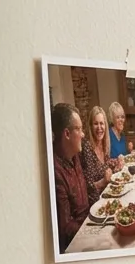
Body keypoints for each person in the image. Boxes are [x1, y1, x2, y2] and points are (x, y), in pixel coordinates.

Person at [50, 103, 92, 252]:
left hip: (89, 224)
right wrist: (94, 229)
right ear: (67, 134)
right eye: (79, 129)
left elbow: (87, 191)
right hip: (76, 244)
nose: (83, 134)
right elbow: (66, 228)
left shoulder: (75, 156)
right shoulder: (55, 172)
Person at [79, 105, 113, 201]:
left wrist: (116, 165)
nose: (99, 128)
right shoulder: (87, 147)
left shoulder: (103, 144)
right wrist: (103, 181)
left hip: (107, 193)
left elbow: (105, 167)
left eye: (101, 123)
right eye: (95, 124)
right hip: (95, 200)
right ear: (90, 126)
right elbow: (87, 188)